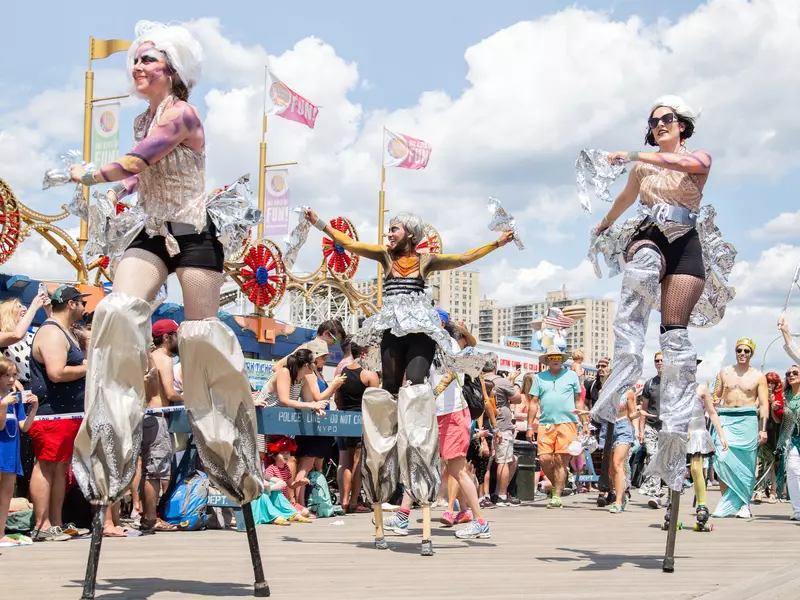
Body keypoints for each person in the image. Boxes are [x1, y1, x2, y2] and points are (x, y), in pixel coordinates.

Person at [69, 21, 263, 518]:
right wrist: (125, 192)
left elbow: (137, 161)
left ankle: (228, 448)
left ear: (171, 71)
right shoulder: (143, 120)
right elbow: (146, 171)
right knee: (116, 309)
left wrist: (90, 174)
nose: (137, 66)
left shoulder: (181, 114)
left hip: (196, 234)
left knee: (200, 338)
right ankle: (113, 429)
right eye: (134, 59)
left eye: (147, 59)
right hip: (154, 231)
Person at [303, 208, 513, 554]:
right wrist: (319, 224)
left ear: (410, 234)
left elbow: (462, 258)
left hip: (420, 333)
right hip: (392, 331)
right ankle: (390, 464)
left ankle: (414, 481)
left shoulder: (425, 261)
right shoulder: (385, 256)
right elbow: (349, 244)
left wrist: (497, 244)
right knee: (388, 391)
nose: (389, 234)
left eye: (395, 229)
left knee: (416, 388)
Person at [587, 95, 734, 570]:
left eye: (666, 120)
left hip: (687, 244)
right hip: (650, 235)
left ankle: (675, 428)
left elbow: (682, 162)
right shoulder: (644, 168)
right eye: (652, 123)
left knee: (675, 336)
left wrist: (632, 153)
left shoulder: (697, 158)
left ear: (682, 126)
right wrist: (606, 223)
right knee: (639, 279)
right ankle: (623, 369)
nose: (658, 126)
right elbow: (627, 198)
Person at [28, 285, 89, 542]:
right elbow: (56, 372)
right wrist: (88, 367)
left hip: (67, 414)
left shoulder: (65, 331)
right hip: (52, 413)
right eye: (82, 303)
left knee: (60, 467)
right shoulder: (52, 333)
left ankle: (56, 522)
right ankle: (42, 524)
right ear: (72, 304)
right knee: (46, 465)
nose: (86, 309)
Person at [711, 338, 768, 518]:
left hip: (748, 419)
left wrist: (763, 428)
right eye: (739, 350)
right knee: (721, 458)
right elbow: (717, 395)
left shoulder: (758, 376)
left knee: (747, 464)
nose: (742, 354)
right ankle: (727, 502)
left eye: (746, 351)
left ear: (751, 353)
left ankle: (744, 504)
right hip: (726, 418)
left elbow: (764, 404)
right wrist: (715, 400)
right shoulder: (724, 372)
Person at [526, 346, 587, 509]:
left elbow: (579, 401)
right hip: (546, 423)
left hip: (568, 423)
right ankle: (557, 486)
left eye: (558, 357)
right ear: (547, 360)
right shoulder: (539, 377)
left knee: (561, 460)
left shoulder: (572, 376)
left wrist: (584, 422)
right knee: (545, 459)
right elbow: (533, 403)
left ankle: (557, 496)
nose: (555, 359)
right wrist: (529, 426)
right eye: (552, 357)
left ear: (562, 359)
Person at [139, 319, 182, 533]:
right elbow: (170, 393)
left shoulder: (152, 357)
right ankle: (150, 518)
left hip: (150, 418)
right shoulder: (163, 359)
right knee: (155, 472)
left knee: (150, 470)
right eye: (176, 335)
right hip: (156, 417)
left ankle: (148, 516)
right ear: (167, 338)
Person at [335, 341, 379, 514]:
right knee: (358, 462)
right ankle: (354, 501)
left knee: (345, 461)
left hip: (345, 419)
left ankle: (344, 500)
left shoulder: (344, 372)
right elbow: (377, 403)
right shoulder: (369, 375)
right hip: (362, 420)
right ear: (364, 354)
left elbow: (337, 399)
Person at [0, 358, 39, 546]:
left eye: (13, 375)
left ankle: (1, 533)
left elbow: (24, 427)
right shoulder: (5, 401)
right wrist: (3, 405)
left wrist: (33, 409)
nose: (10, 379)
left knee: (6, 494)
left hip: (10, 450)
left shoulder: (14, 401)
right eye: (6, 375)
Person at [685, 382, 726, 530]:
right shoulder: (674, 387)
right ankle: (672, 504)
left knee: (696, 469)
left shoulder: (701, 388)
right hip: (680, 432)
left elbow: (712, 412)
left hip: (697, 434)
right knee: (676, 471)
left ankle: (702, 506)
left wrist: (721, 435)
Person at [639, 352, 665, 506]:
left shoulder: (673, 383)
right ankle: (655, 491)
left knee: (662, 459)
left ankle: (659, 488)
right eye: (657, 361)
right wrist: (641, 430)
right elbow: (644, 408)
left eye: (662, 360)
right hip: (651, 424)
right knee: (652, 455)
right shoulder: (649, 384)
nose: (659, 363)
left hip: (667, 426)